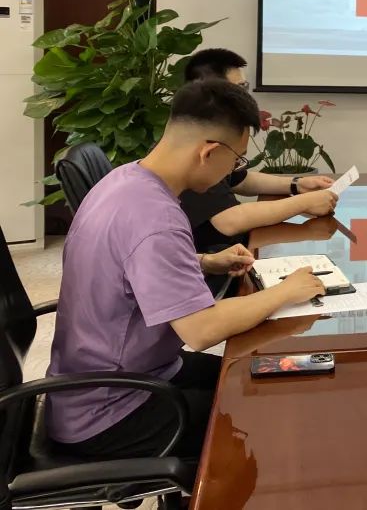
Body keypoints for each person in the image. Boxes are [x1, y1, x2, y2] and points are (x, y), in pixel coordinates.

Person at [46, 80, 329, 461]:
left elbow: (127, 260)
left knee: (258, 374)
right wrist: (285, 291)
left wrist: (202, 261)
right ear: (209, 152)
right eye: (237, 160)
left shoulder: (125, 180)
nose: (234, 171)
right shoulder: (155, 217)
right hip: (109, 409)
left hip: (111, 377)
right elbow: (201, 330)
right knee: (269, 419)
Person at [180, 48, 337, 253]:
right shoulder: (193, 144)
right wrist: (304, 203)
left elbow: (240, 179)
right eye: (240, 88)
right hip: (211, 258)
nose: (246, 96)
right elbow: (229, 221)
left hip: (235, 248)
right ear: (211, 92)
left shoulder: (212, 132)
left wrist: (297, 184)